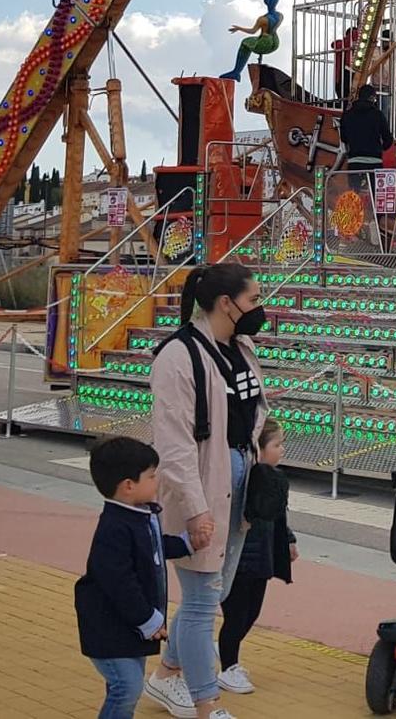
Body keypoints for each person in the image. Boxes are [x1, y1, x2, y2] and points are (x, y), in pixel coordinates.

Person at [145, 262, 267, 719]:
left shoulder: (241, 346)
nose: (260, 309)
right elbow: (173, 444)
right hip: (202, 484)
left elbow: (250, 413)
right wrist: (196, 510)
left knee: (212, 592)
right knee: (199, 602)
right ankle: (205, 704)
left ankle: (165, 677)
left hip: (238, 479)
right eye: (254, 300)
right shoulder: (178, 357)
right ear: (225, 304)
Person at [77, 436, 189, 719]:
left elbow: (154, 547)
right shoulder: (115, 527)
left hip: (128, 627)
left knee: (125, 685)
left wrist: (187, 544)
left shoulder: (138, 516)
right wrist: (147, 619)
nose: (157, 481)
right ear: (128, 486)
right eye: (151, 476)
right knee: (126, 687)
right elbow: (119, 582)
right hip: (109, 626)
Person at [217, 417, 298, 695]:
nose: (282, 449)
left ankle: (225, 650)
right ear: (259, 449)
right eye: (277, 444)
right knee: (237, 614)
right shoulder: (243, 478)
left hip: (262, 556)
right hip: (239, 559)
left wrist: (288, 540)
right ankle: (228, 666)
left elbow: (279, 515)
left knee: (252, 612)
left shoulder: (272, 479)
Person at [221, 0, 283, 81]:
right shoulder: (280, 16)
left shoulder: (263, 19)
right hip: (275, 42)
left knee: (245, 43)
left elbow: (252, 31)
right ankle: (237, 72)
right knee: (251, 42)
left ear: (266, 1)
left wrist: (239, 28)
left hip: (265, 42)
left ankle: (237, 72)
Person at [338, 83, 394, 172]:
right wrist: (379, 149)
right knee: (373, 186)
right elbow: (388, 139)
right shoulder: (378, 115)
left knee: (355, 186)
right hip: (374, 161)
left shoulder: (347, 115)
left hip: (354, 161)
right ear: (372, 98)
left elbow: (344, 138)